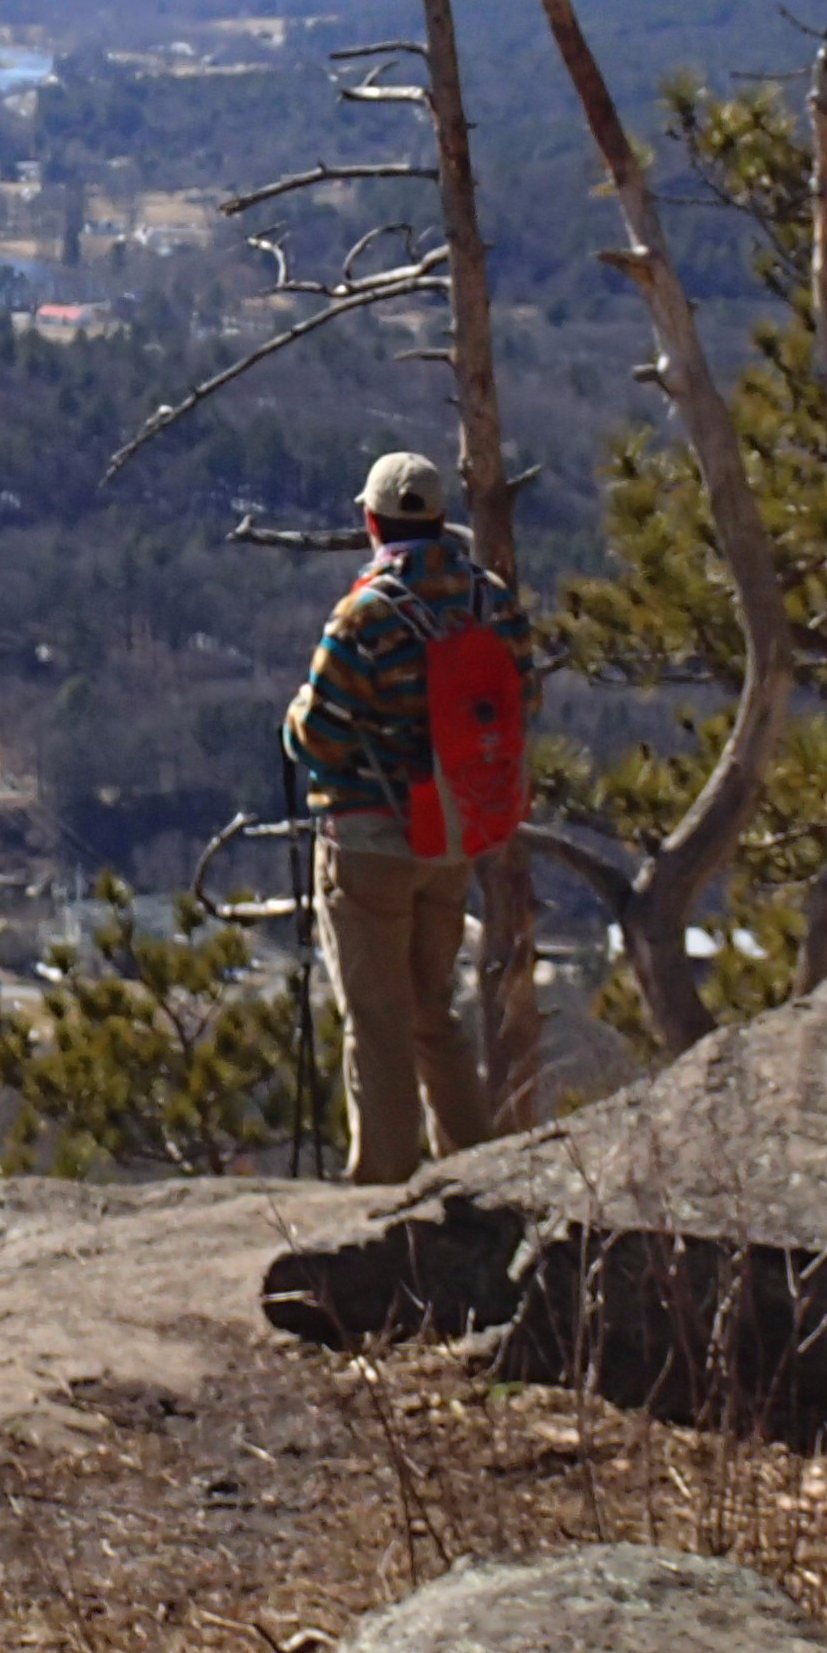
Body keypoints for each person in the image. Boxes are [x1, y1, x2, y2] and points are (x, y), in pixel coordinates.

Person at [280, 450, 528, 1184]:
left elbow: (315, 733)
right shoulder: (492, 601)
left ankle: (380, 1189)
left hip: (368, 841)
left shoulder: (366, 611)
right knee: (431, 1010)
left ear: (371, 520)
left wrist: (291, 719)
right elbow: (522, 707)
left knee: (377, 1019)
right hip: (453, 835)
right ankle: (476, 1169)